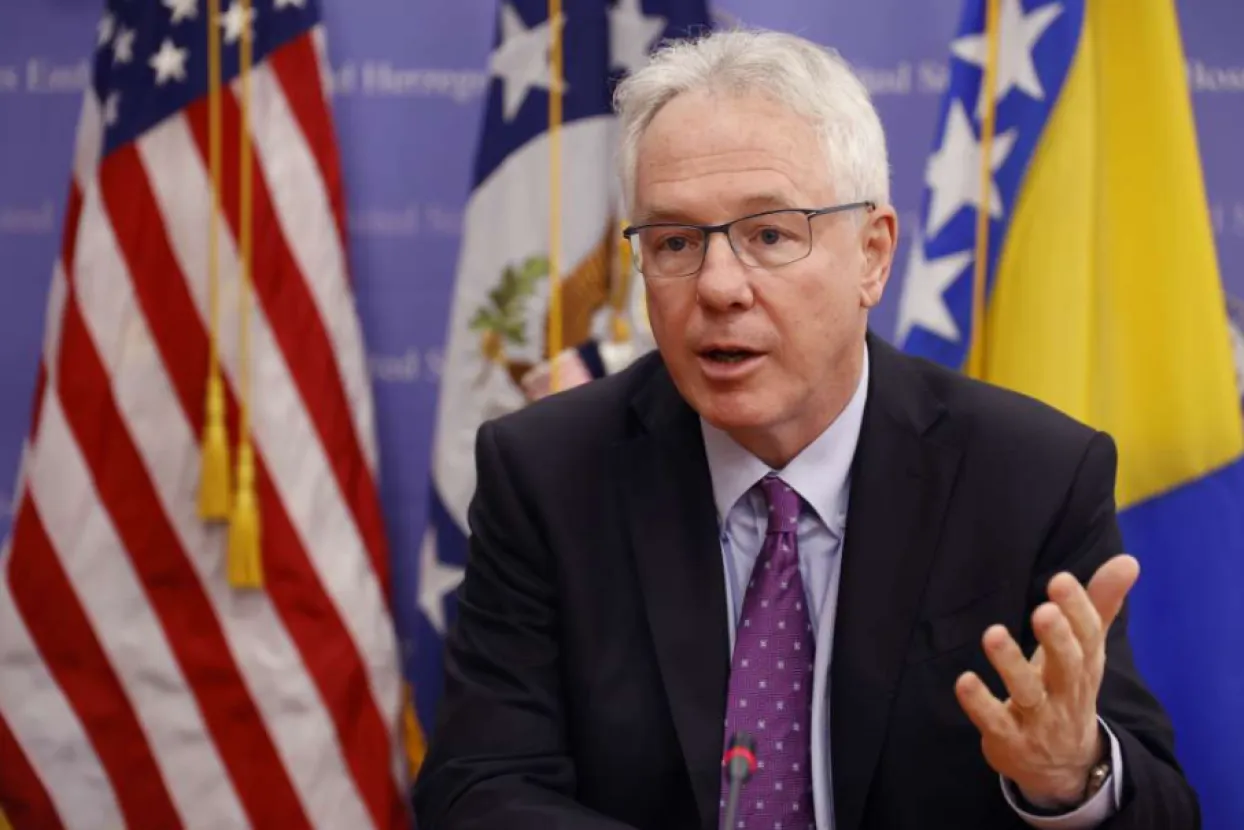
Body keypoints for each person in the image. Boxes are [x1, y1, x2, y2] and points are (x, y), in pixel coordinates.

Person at [413, 28, 1198, 830]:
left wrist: (1069, 779)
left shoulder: (1030, 478)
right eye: (676, 241)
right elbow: (479, 787)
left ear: (873, 255)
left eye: (770, 234)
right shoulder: (548, 474)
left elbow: (1167, 815)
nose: (719, 287)